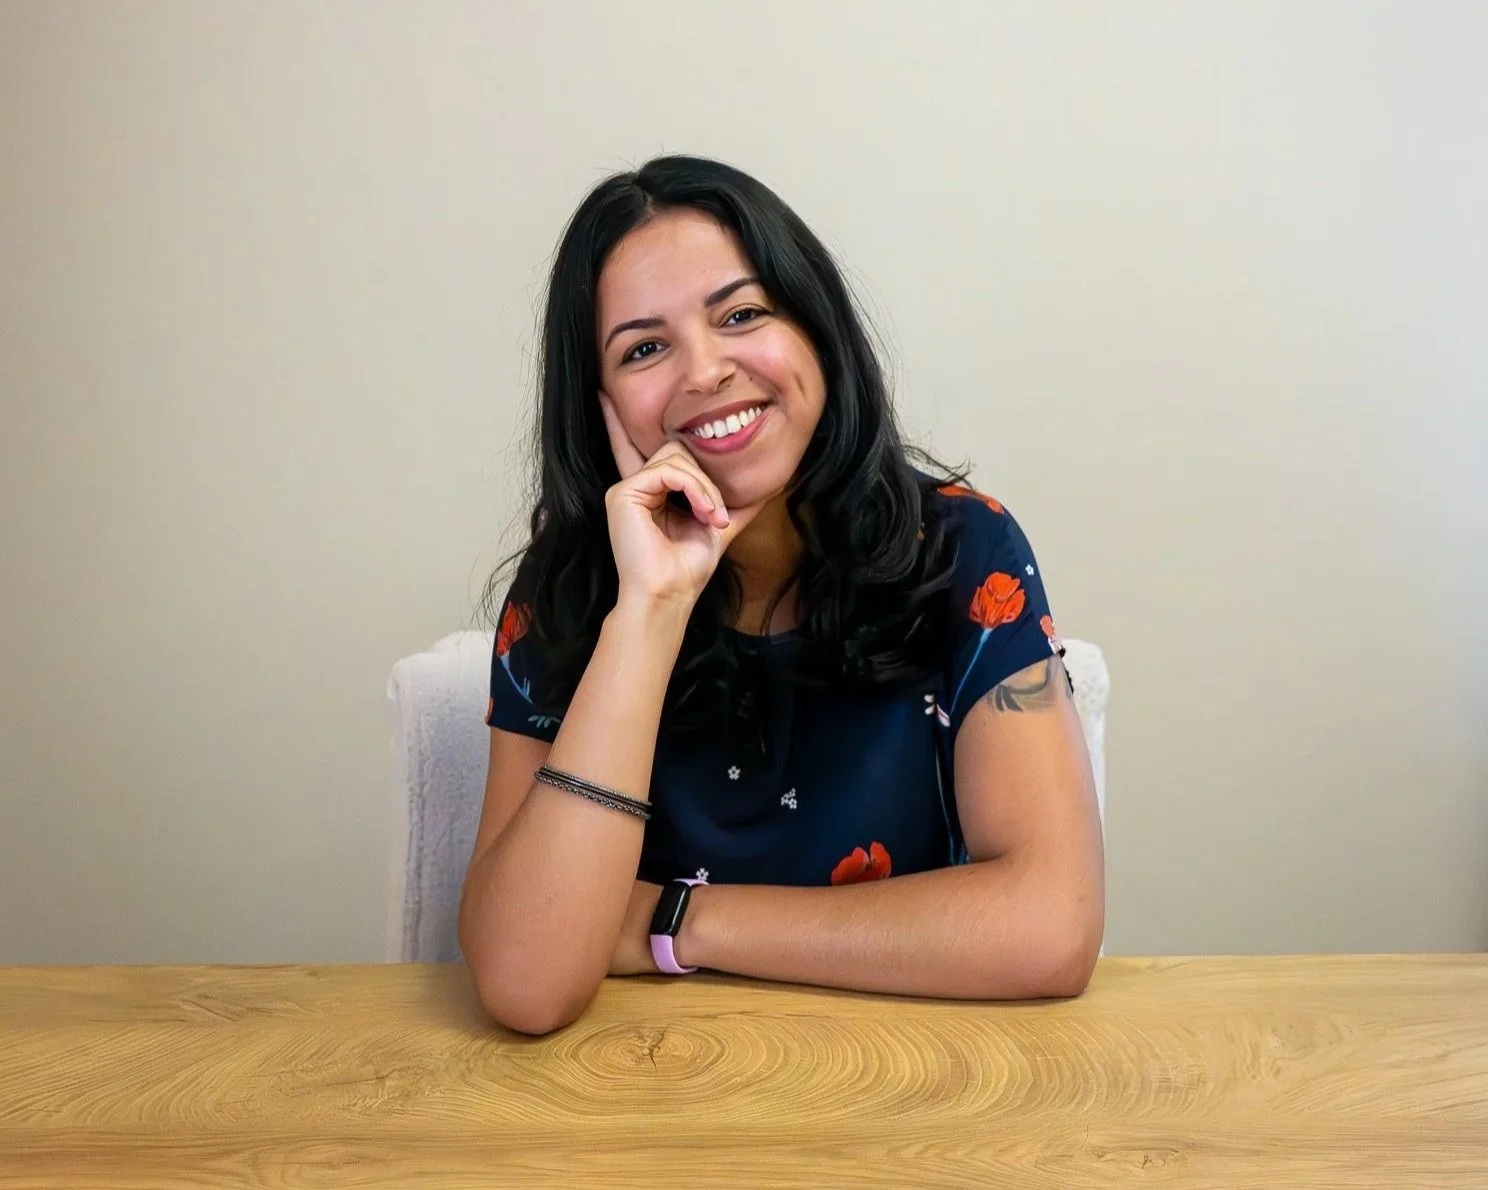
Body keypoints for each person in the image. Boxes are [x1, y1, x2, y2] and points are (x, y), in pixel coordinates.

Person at [459, 155, 1104, 1035]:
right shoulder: (570, 591)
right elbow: (526, 984)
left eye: (743, 314)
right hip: (641, 1093)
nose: (706, 370)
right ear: (600, 402)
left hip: (915, 1077)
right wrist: (649, 610)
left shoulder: (960, 549)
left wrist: (677, 920)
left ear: (816, 331)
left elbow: (1047, 930)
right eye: (644, 348)